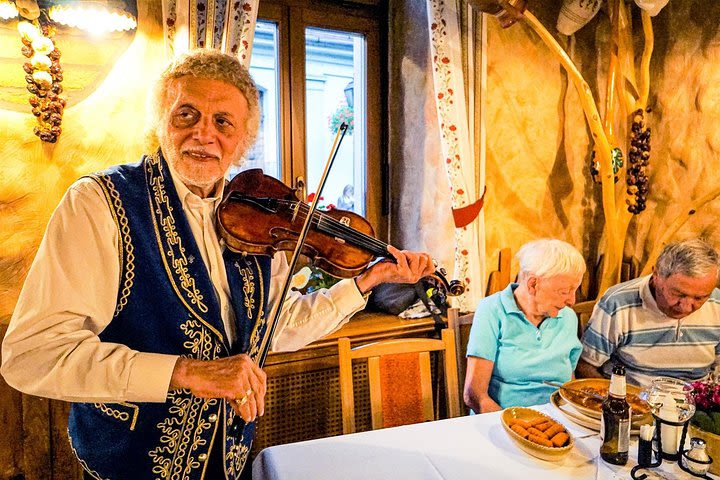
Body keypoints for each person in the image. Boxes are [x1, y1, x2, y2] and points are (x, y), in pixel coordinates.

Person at [0, 50, 435, 480]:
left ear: (244, 140)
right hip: (132, 462)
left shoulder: (264, 218)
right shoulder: (99, 204)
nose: (204, 135)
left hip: (229, 459)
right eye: (186, 115)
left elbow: (275, 327)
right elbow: (33, 355)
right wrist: (185, 373)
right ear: (161, 124)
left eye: (223, 122)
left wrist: (364, 283)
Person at [463, 239, 586, 413]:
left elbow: (568, 380)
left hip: (559, 419)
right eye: (564, 291)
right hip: (506, 419)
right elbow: (475, 395)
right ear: (533, 284)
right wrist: (516, 427)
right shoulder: (492, 310)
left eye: (575, 290)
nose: (572, 301)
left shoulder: (567, 317)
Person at [577, 238, 720, 386]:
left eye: (700, 298)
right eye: (679, 294)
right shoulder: (618, 303)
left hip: (699, 402)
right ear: (656, 275)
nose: (686, 307)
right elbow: (585, 365)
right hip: (634, 400)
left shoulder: (717, 304)